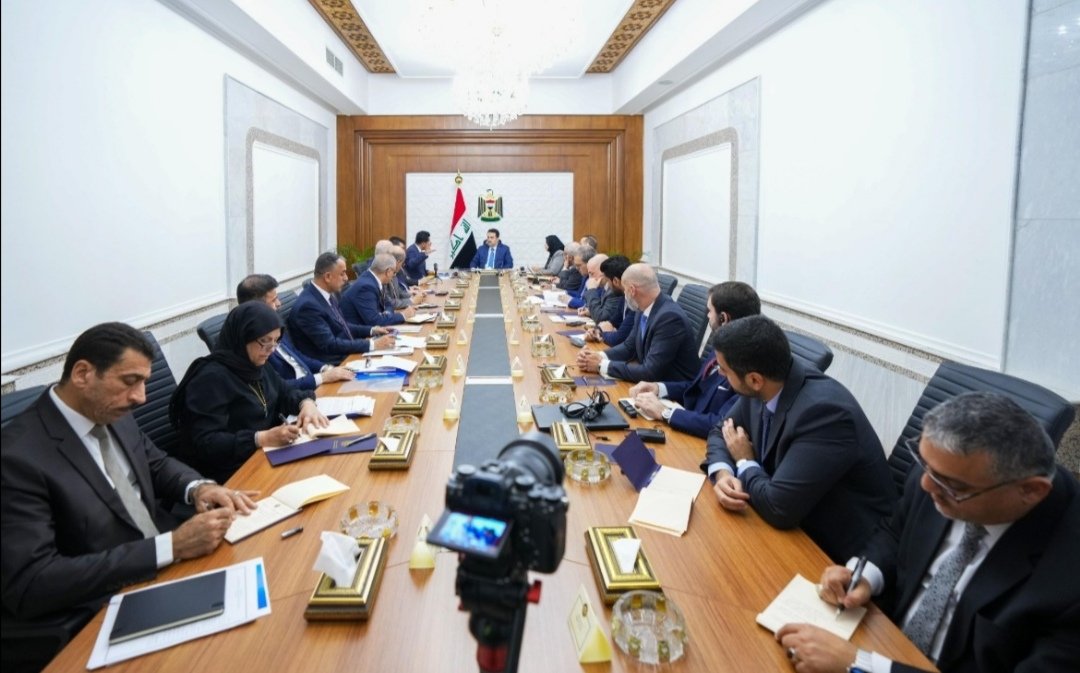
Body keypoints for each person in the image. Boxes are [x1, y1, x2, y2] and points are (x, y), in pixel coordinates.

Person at [1, 323, 256, 670]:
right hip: (102, 604)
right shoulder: (17, 458)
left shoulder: (110, 411)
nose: (141, 398)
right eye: (130, 381)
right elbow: (33, 582)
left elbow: (156, 463)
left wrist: (199, 487)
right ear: (82, 374)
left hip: (168, 562)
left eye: (144, 382)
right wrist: (171, 547)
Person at [778, 392, 1079, 673]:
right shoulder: (941, 471)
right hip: (882, 637)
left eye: (953, 486)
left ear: (1030, 491)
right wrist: (864, 575)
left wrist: (859, 665)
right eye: (925, 466)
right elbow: (895, 533)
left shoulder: (1069, 583)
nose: (926, 485)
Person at [701, 315, 895, 562]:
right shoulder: (765, 384)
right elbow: (721, 430)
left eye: (724, 371)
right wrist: (723, 473)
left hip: (833, 553)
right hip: (787, 522)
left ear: (754, 380)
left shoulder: (825, 414)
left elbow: (778, 507)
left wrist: (744, 461)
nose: (720, 374)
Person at [171, 302, 329, 484]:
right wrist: (261, 438)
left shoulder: (256, 364)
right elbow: (207, 443)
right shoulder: (210, 378)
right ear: (243, 336)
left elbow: (284, 392)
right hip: (231, 473)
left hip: (265, 456)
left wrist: (306, 404)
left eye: (276, 341)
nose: (271, 349)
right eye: (265, 341)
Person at [629, 281, 761, 438]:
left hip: (704, 441)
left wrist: (666, 412)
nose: (707, 316)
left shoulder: (748, 365)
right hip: (686, 426)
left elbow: (722, 424)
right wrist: (659, 388)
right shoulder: (722, 345)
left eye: (709, 311)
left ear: (723, 318)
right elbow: (696, 388)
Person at [576, 263, 699, 382]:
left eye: (625, 290)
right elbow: (629, 347)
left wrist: (600, 365)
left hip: (673, 390)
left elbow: (650, 371)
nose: (624, 295)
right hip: (650, 384)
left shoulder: (669, 318)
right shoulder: (642, 308)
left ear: (632, 290)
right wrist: (598, 356)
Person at [236, 274, 353, 392]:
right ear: (257, 306)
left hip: (313, 385)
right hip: (299, 394)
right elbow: (277, 388)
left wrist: (325, 368)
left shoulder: (273, 325)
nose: (279, 303)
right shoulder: (253, 345)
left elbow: (297, 356)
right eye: (273, 300)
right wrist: (322, 378)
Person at [287, 252, 395, 364]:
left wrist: (372, 330)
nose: (346, 278)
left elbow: (342, 326)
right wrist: (372, 344)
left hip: (345, 354)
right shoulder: (308, 306)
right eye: (342, 274)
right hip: (334, 364)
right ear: (328, 277)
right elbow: (330, 344)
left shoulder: (327, 294)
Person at [340, 253, 416, 326]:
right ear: (388, 271)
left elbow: (388, 304)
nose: (393, 276)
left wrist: (386, 314)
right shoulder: (366, 286)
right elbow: (374, 321)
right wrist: (403, 315)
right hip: (361, 332)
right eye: (394, 273)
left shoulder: (374, 279)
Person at [583, 255, 630, 346]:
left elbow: (618, 338)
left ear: (615, 281)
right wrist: (596, 330)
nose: (607, 285)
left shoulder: (634, 303)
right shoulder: (623, 297)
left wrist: (600, 334)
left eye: (608, 281)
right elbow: (612, 322)